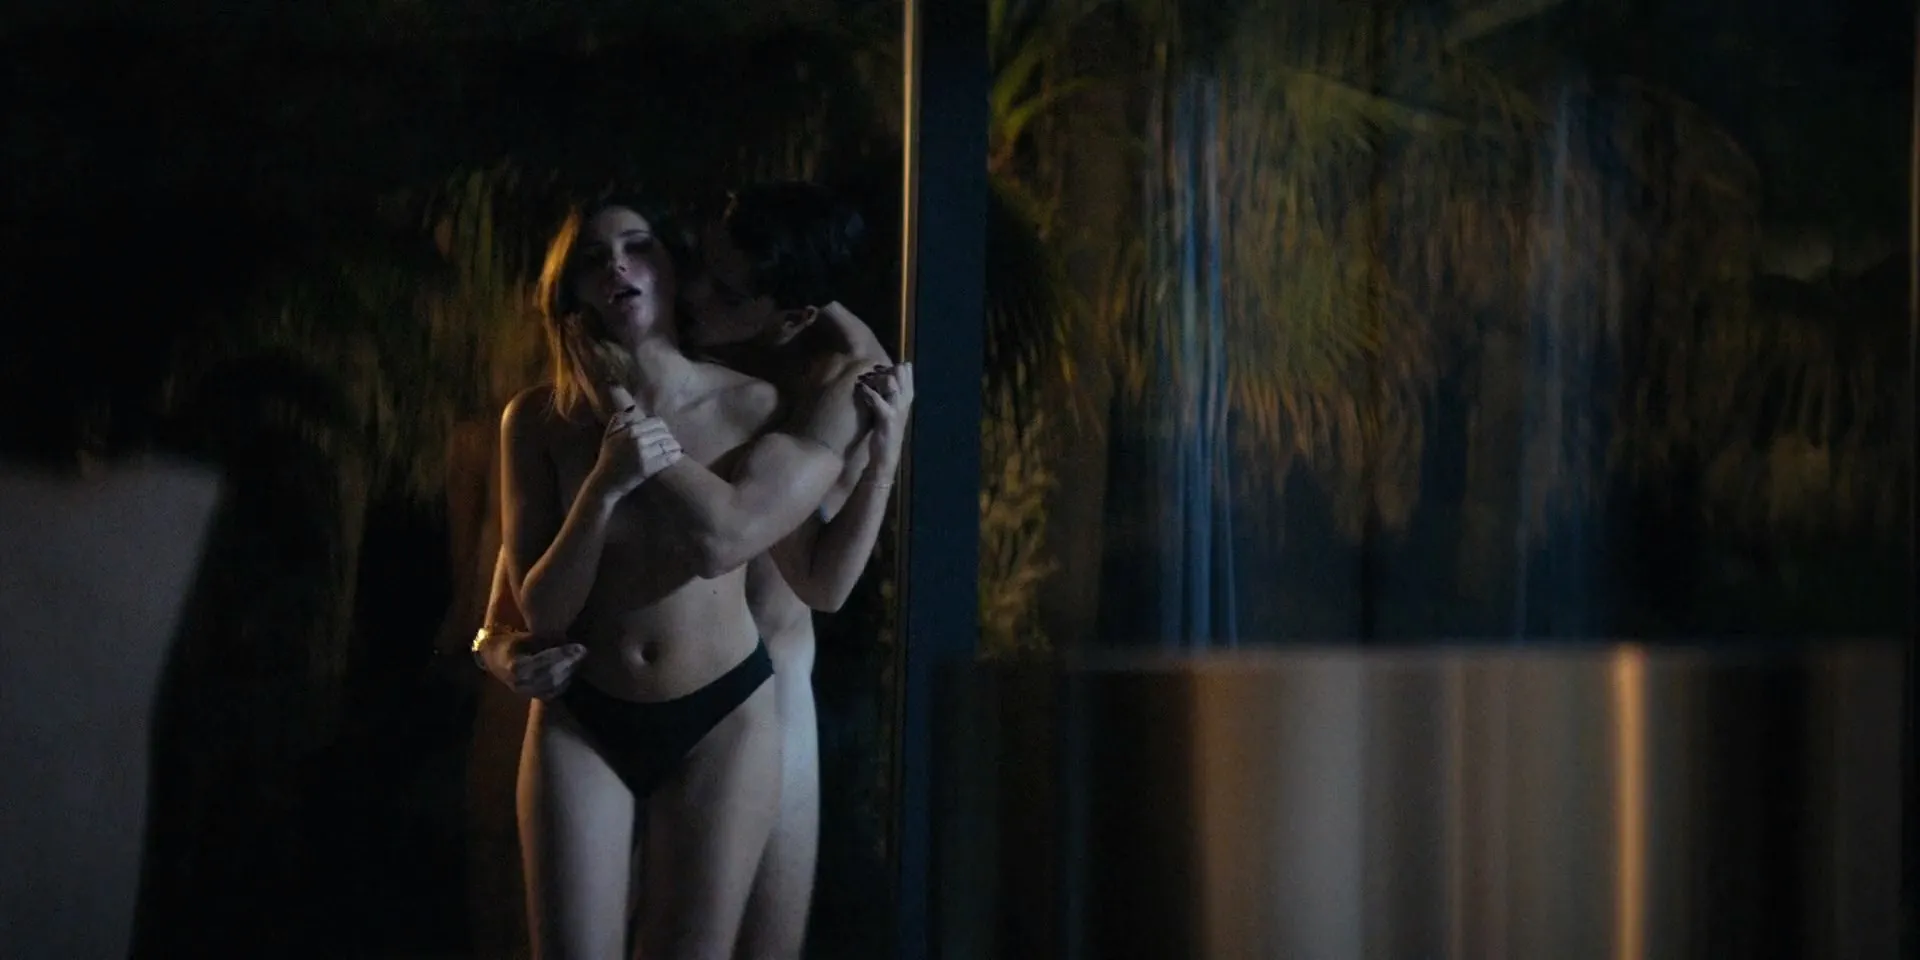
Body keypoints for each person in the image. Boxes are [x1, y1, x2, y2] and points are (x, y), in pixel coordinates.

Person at [475, 182, 911, 959]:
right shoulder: (541, 419)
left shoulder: (782, 394)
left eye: (640, 247)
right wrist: (496, 644)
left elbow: (791, 567)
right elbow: (523, 597)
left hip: (732, 701)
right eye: (593, 258)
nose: (620, 268)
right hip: (587, 708)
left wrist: (885, 458)